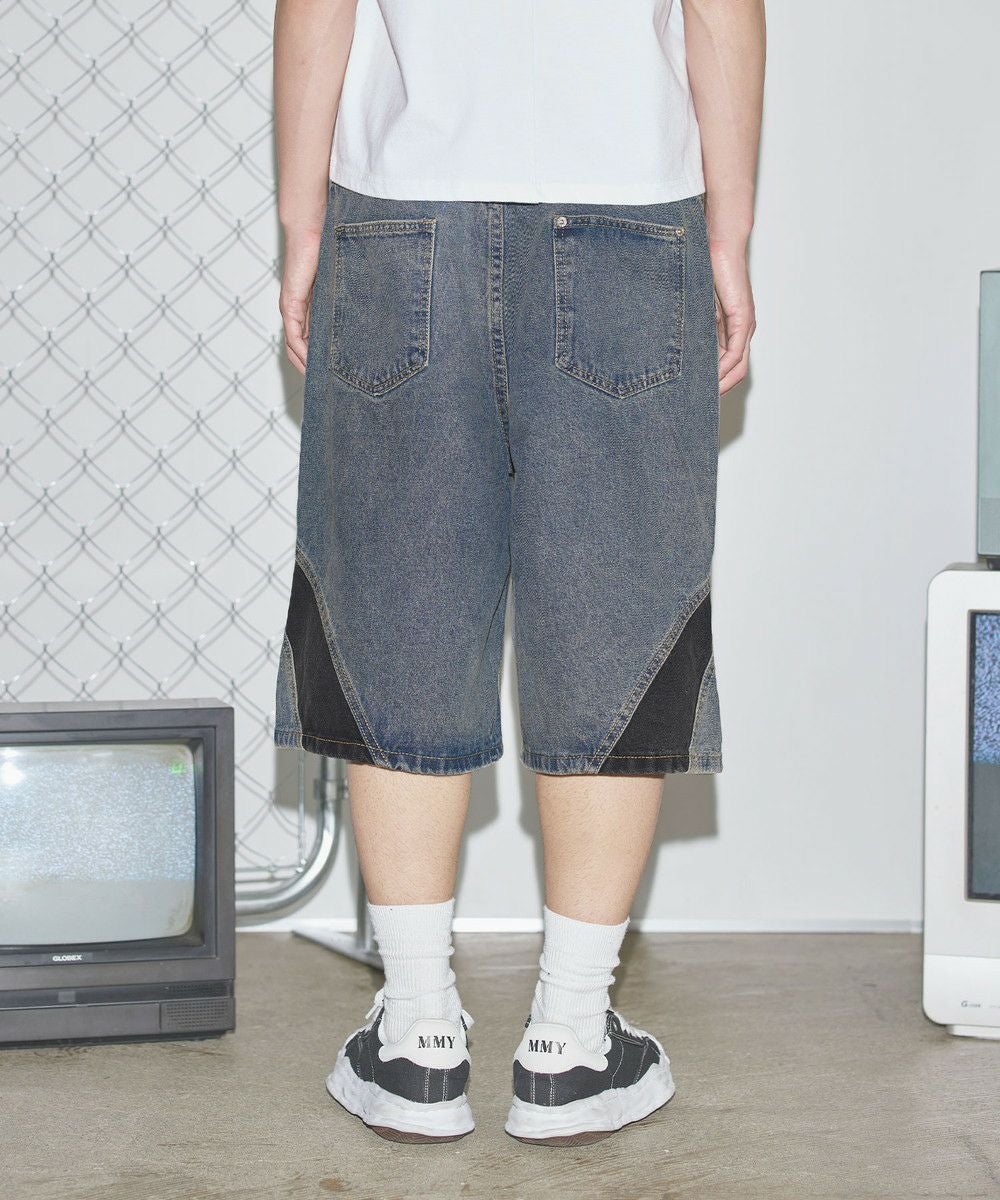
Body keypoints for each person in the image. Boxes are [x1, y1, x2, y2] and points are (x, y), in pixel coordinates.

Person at [272, 0, 764, 1147]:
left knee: (398, 607)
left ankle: (416, 1038)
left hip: (401, 215)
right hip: (628, 213)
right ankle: (572, 1042)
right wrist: (729, 233)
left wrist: (301, 225)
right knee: (616, 610)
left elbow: (315, 11)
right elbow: (721, 12)